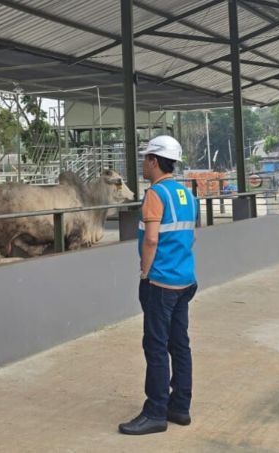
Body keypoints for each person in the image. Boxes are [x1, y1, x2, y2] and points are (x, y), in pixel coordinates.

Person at [119, 135, 198, 435]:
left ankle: (155, 412)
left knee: (155, 345)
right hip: (184, 281)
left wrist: (145, 271)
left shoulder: (155, 194)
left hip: (160, 283)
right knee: (179, 345)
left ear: (154, 161)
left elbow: (151, 239)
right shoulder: (186, 195)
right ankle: (179, 407)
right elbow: (192, 237)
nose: (143, 163)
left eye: (145, 159)